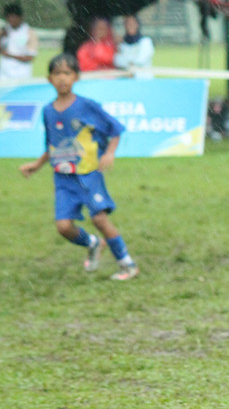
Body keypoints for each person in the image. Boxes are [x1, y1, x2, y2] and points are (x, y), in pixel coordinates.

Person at [18, 54, 139, 281]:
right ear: (49, 79)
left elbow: (115, 129)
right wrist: (37, 164)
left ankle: (128, 264)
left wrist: (109, 154)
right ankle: (93, 244)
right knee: (63, 227)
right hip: (63, 179)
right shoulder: (48, 111)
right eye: (57, 74)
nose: (62, 78)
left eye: (67, 73)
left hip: (88, 174)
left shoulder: (86, 106)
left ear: (76, 77)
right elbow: (53, 145)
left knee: (99, 219)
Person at [1, 3, 38, 82]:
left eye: (13, 17)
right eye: (9, 17)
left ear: (20, 17)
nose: (11, 20)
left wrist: (9, 55)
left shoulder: (29, 32)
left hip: (22, 74)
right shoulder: (5, 30)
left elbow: (29, 57)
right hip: (4, 74)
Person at [113, 15, 155, 79]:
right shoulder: (122, 44)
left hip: (143, 79)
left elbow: (142, 59)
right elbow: (118, 61)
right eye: (128, 23)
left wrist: (130, 67)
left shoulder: (146, 41)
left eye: (133, 23)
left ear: (137, 24)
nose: (130, 25)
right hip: (126, 79)